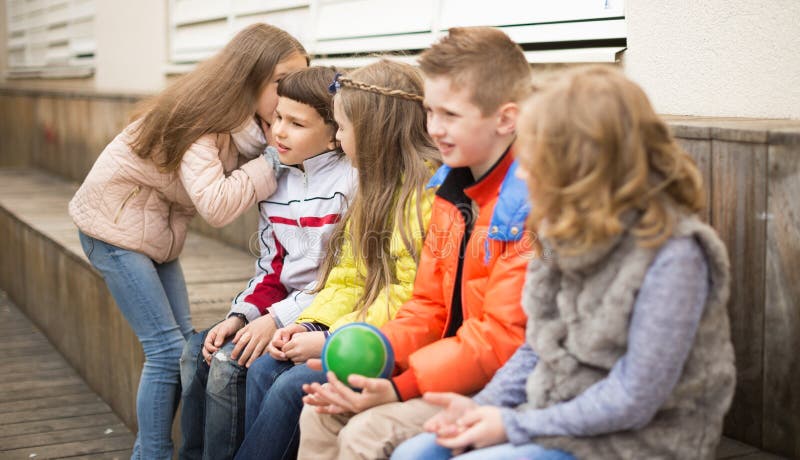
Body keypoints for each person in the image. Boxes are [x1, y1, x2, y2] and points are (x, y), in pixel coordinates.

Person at [393, 66, 737, 460]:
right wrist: (482, 408)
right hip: (551, 413)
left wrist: (512, 425)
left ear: (585, 163)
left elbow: (635, 396)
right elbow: (535, 347)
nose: (521, 171)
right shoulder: (559, 231)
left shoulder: (675, 254)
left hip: (639, 439)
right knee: (416, 453)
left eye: (537, 156)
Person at [68, 23, 307, 459]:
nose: (289, 92)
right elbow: (216, 205)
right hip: (112, 229)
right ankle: (151, 454)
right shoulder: (205, 120)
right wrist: (272, 160)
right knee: (164, 351)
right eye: (281, 82)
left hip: (155, 231)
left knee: (183, 351)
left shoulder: (249, 125)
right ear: (249, 77)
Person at [297, 27, 534, 459]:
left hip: (498, 385)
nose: (435, 129)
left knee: (365, 434)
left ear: (505, 119)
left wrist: (398, 386)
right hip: (442, 365)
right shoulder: (451, 190)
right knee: (319, 412)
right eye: (430, 112)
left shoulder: (525, 208)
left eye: (451, 116)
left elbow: (501, 340)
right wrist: (374, 352)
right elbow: (427, 306)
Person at [234, 59, 440, 460]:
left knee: (294, 387)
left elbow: (409, 295)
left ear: (375, 132)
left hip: (390, 342)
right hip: (357, 329)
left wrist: (331, 340)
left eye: (343, 128)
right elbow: (346, 277)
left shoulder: (422, 198)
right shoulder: (373, 187)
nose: (339, 140)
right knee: (262, 368)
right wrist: (312, 322)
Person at [178, 66, 355, 460]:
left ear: (333, 134)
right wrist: (241, 316)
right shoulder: (275, 183)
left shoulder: (351, 183)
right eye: (277, 118)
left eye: (296, 123)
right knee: (197, 351)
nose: (279, 132)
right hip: (280, 309)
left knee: (229, 365)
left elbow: (340, 280)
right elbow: (272, 268)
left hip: (320, 311)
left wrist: (274, 319)